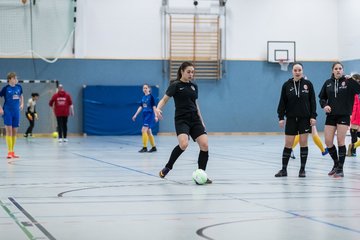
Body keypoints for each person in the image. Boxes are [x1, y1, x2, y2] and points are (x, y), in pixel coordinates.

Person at [155, 61, 212, 183]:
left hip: (195, 119)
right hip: (182, 119)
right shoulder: (175, 85)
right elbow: (164, 100)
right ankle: (168, 167)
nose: (191, 74)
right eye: (188, 72)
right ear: (182, 71)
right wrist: (158, 109)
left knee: (205, 145)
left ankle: (200, 174)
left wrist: (201, 121)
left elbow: (195, 104)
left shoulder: (194, 86)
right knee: (183, 144)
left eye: (192, 72)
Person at [319, 62, 360, 178]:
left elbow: (359, 90)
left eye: (340, 68)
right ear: (332, 70)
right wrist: (324, 106)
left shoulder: (348, 82)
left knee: (340, 141)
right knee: (328, 142)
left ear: (343, 70)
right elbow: (322, 98)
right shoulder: (328, 83)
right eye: (336, 68)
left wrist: (352, 80)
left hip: (343, 115)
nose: (338, 70)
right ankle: (336, 164)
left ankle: (340, 169)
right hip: (331, 116)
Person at [276, 62, 317, 178]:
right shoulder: (286, 85)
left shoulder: (308, 84)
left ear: (302, 71)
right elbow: (282, 102)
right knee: (288, 144)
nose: (297, 72)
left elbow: (312, 102)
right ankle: (284, 170)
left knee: (303, 144)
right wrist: (281, 117)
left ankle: (302, 170)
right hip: (291, 119)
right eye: (295, 70)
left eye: (299, 70)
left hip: (305, 119)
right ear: (292, 71)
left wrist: (313, 116)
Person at [0, 72, 24, 159]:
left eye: (16, 78)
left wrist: (22, 104)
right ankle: (9, 152)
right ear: (10, 79)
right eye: (14, 78)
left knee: (15, 132)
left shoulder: (19, 87)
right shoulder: (6, 89)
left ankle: (12, 151)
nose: (16, 79)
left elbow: (21, 95)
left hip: (16, 112)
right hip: (8, 112)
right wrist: (0, 109)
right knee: (9, 131)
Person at [132, 84, 158, 153]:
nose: (145, 89)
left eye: (146, 88)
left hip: (149, 115)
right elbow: (141, 107)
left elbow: (154, 107)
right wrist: (135, 115)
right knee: (149, 131)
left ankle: (144, 147)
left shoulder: (151, 97)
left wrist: (156, 116)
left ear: (149, 89)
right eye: (144, 88)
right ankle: (154, 147)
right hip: (145, 115)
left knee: (143, 130)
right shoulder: (143, 97)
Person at [347, 73, 360, 157]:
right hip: (354, 111)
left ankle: (353, 149)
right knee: (356, 132)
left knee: (354, 132)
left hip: (356, 112)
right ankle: (353, 149)